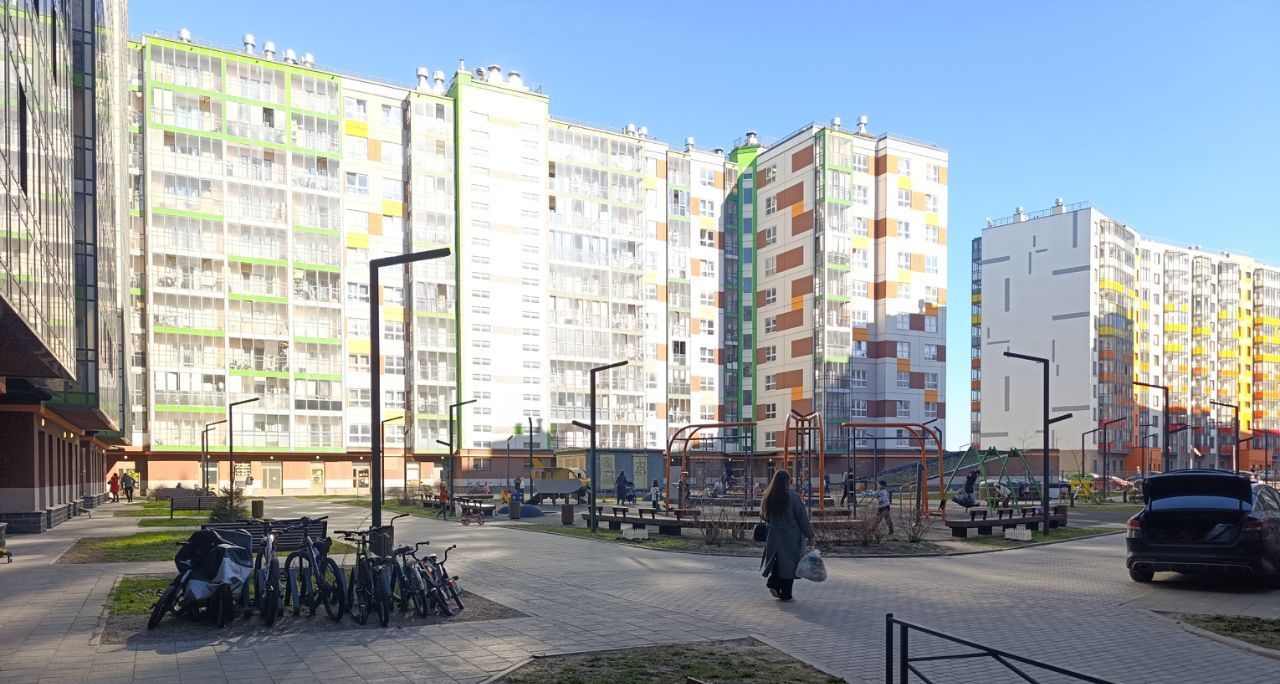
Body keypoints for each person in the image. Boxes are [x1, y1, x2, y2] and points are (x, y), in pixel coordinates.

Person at [759, 470, 814, 602]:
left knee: (778, 562)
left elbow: (763, 515)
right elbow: (802, 518)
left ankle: (774, 582)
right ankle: (786, 593)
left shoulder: (768, 497)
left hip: (774, 535)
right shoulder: (794, 498)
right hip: (791, 537)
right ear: (787, 482)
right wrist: (810, 535)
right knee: (790, 564)